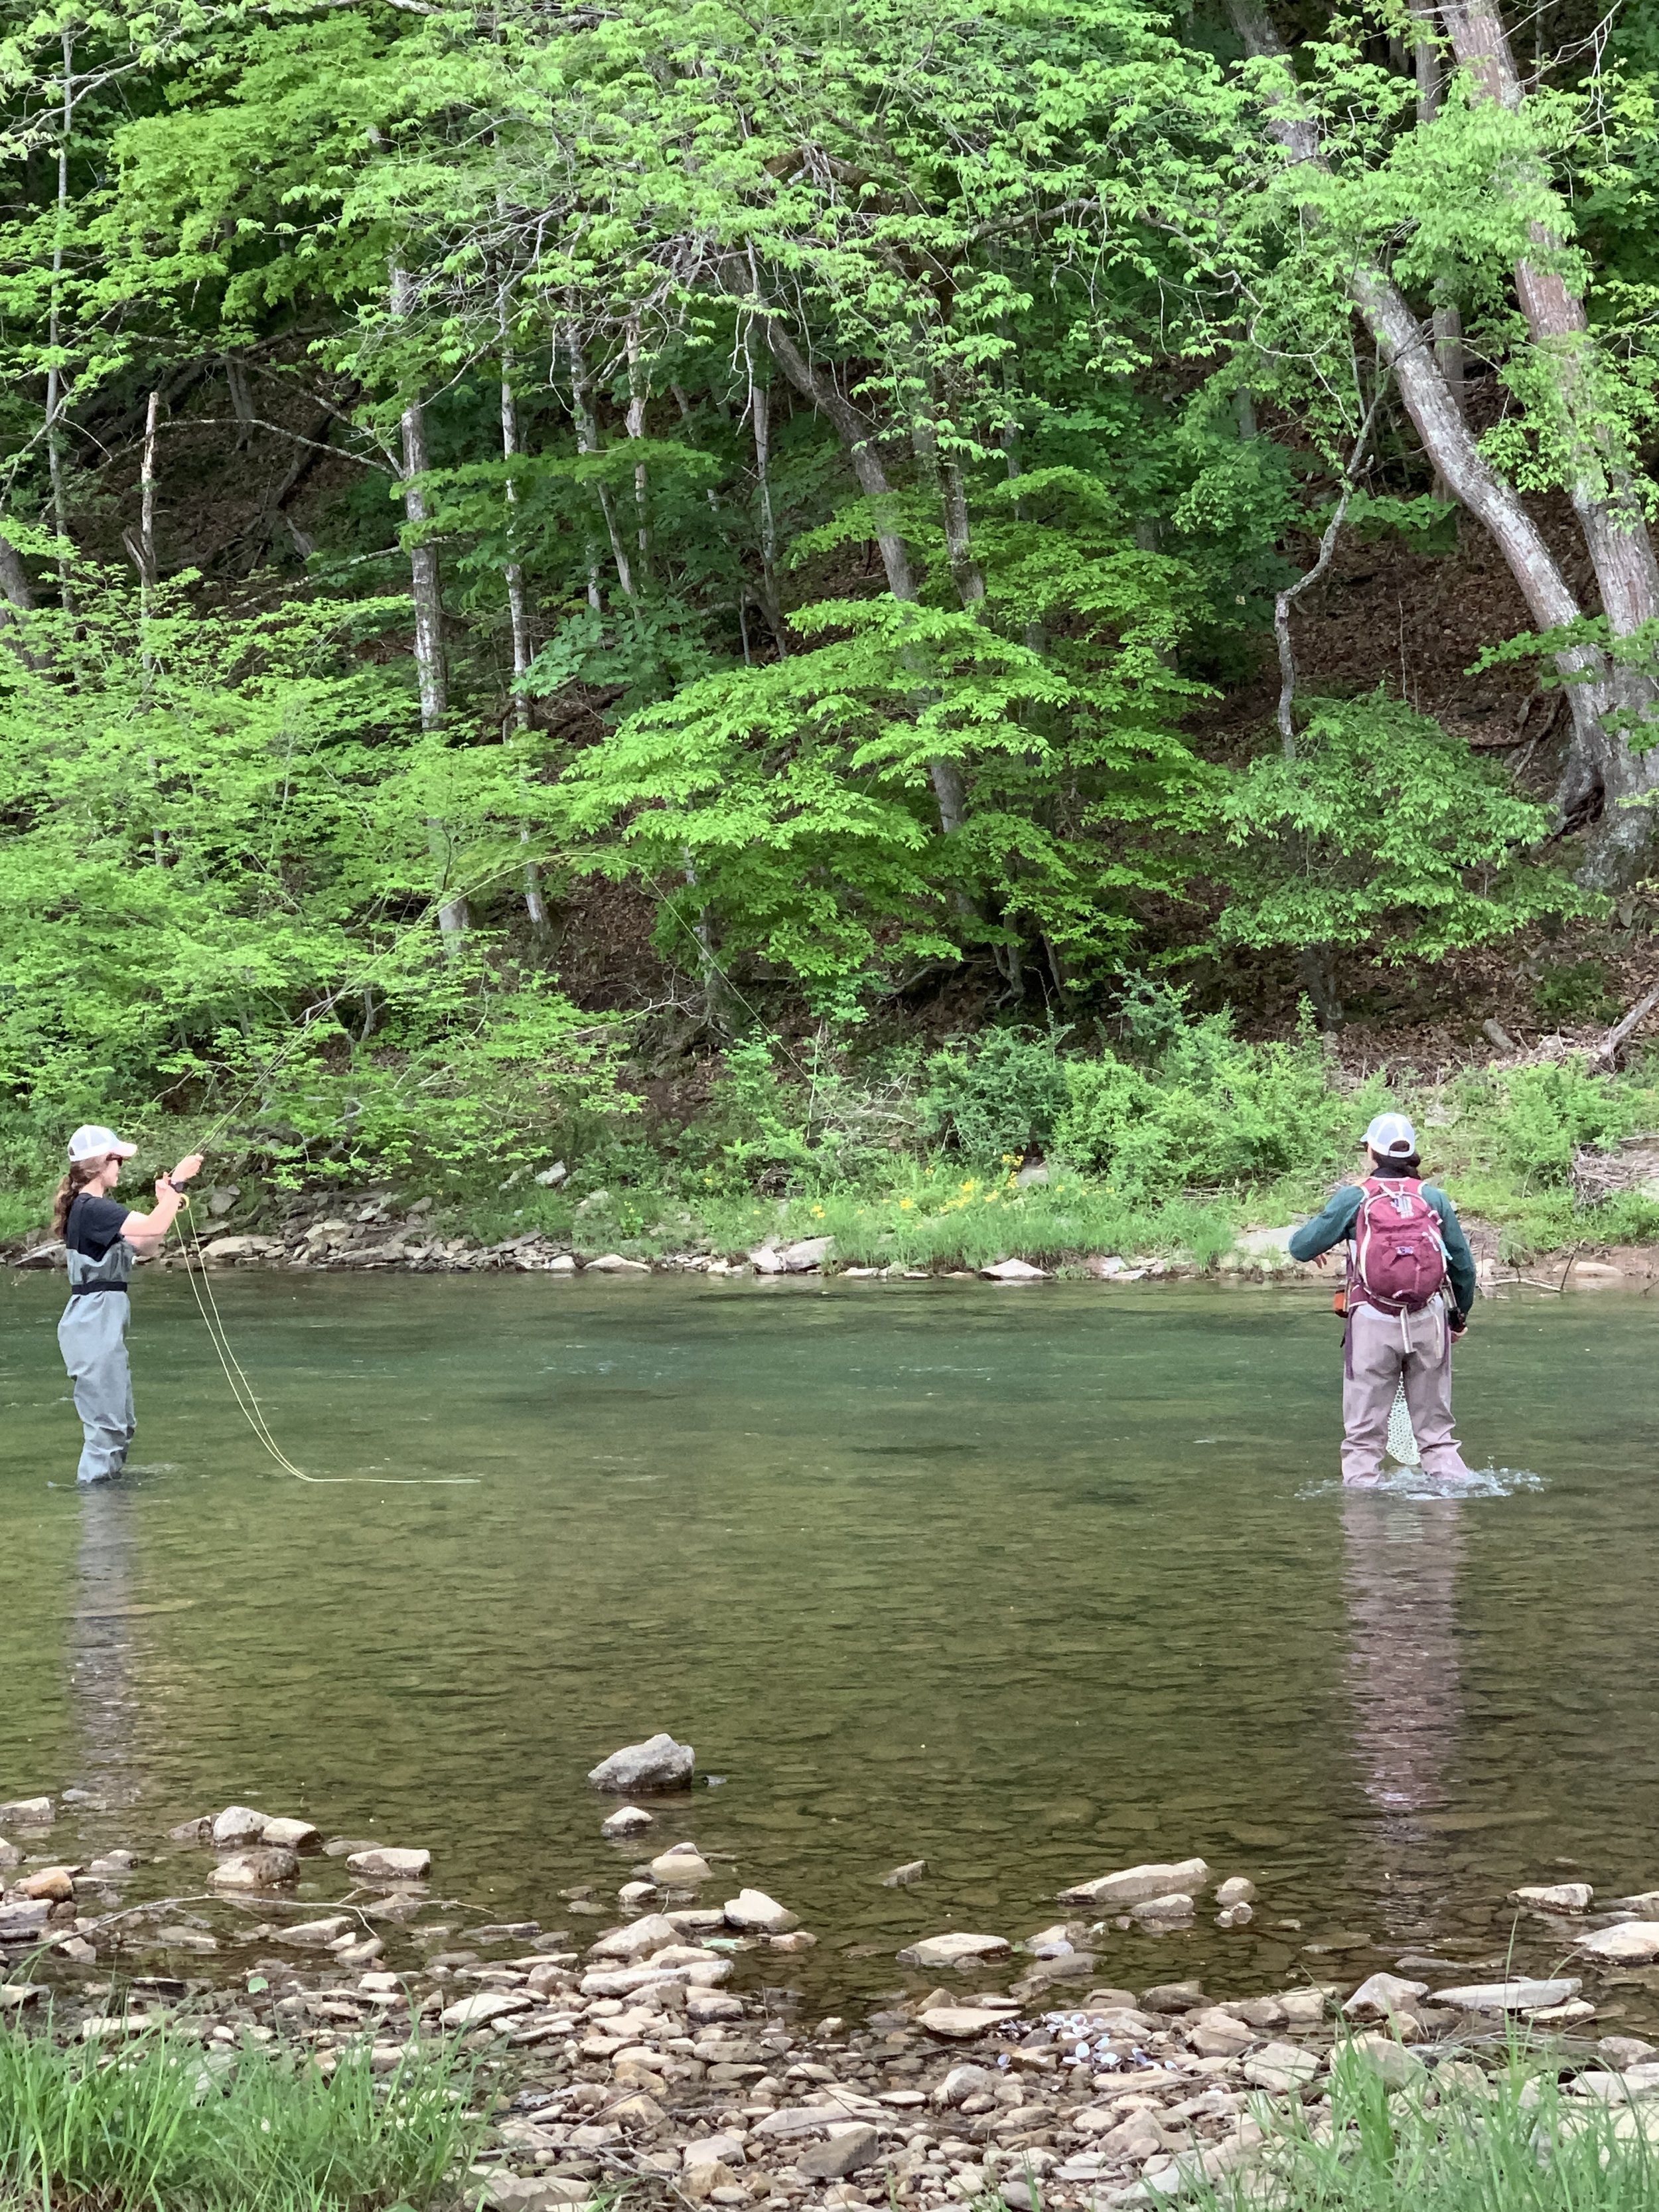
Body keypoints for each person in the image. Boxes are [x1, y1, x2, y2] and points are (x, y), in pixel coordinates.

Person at [1289, 1112, 1477, 1485]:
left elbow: (1300, 1247)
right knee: (1437, 1439)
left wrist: (1318, 1248)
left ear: (1371, 1151)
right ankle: (1451, 1523)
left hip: (1373, 1323)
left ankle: (1363, 1531)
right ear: (1411, 1153)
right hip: (1428, 1322)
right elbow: (1465, 1269)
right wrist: (1458, 1319)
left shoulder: (1355, 1197)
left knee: (1363, 1441)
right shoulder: (1433, 1197)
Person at [53, 1127, 204, 1485]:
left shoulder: (95, 1210)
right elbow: (152, 1226)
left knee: (121, 1424)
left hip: (102, 1319)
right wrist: (178, 1184)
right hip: (93, 1321)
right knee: (107, 1428)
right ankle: (96, 1512)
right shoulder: (92, 1208)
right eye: (118, 1159)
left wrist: (165, 1199)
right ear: (100, 1164)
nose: (122, 1166)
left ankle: (110, 1507)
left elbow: (147, 1244)